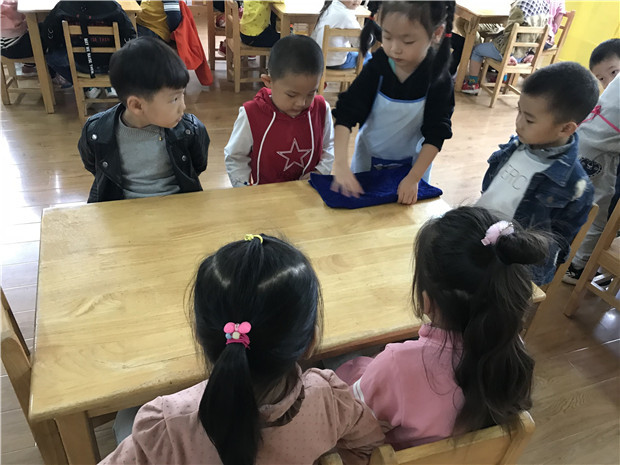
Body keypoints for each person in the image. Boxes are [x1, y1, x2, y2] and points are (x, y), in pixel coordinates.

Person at [100, 234, 385, 465]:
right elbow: (372, 448)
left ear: (200, 335)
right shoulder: (330, 400)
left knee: (124, 418)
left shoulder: (168, 427)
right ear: (312, 340)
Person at [336, 206, 544, 450]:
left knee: (340, 360)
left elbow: (348, 424)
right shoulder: (511, 348)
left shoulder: (396, 365)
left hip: (388, 451)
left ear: (427, 301)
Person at [477, 61, 598, 285]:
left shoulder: (576, 187)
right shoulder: (514, 146)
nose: (518, 124)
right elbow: (489, 191)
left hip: (515, 271)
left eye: (529, 119)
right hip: (480, 241)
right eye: (519, 111)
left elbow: (558, 246)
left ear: (566, 128)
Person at [330, 1, 455, 205]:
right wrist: (341, 166)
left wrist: (413, 178)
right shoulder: (377, 68)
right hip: (368, 161)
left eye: (408, 41)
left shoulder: (438, 79)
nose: (395, 49)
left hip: (414, 169)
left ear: (436, 33)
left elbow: (436, 133)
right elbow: (345, 115)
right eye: (387, 37)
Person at [78, 37, 209, 203]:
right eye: (174, 99)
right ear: (137, 105)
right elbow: (95, 165)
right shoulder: (97, 131)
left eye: (182, 94)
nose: (183, 106)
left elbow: (197, 165)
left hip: (178, 207)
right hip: (122, 210)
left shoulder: (190, 130)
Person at [224, 35, 334, 187]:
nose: (301, 103)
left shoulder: (322, 109)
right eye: (291, 95)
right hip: (266, 195)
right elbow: (236, 157)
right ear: (268, 82)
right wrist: (244, 188)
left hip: (308, 192)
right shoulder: (251, 114)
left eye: (311, 93)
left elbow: (328, 147)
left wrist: (320, 171)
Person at [563, 40, 620, 284]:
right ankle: (579, 266)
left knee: (580, 203)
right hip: (599, 155)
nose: (609, 82)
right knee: (597, 211)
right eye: (602, 79)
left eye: (614, 73)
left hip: (584, 144)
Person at [461, 0, 549, 94]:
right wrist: (532, 53)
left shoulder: (520, 6)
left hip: (510, 54)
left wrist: (508, 55)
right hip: (524, 54)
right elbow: (541, 36)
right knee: (497, 38)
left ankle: (472, 84)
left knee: (477, 50)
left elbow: (509, 34)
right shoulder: (544, 6)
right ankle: (502, 79)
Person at [311, 0, 370, 70]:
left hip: (317, 58)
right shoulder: (347, 15)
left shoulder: (331, 5)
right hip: (334, 63)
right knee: (370, 57)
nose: (357, 1)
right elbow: (360, 44)